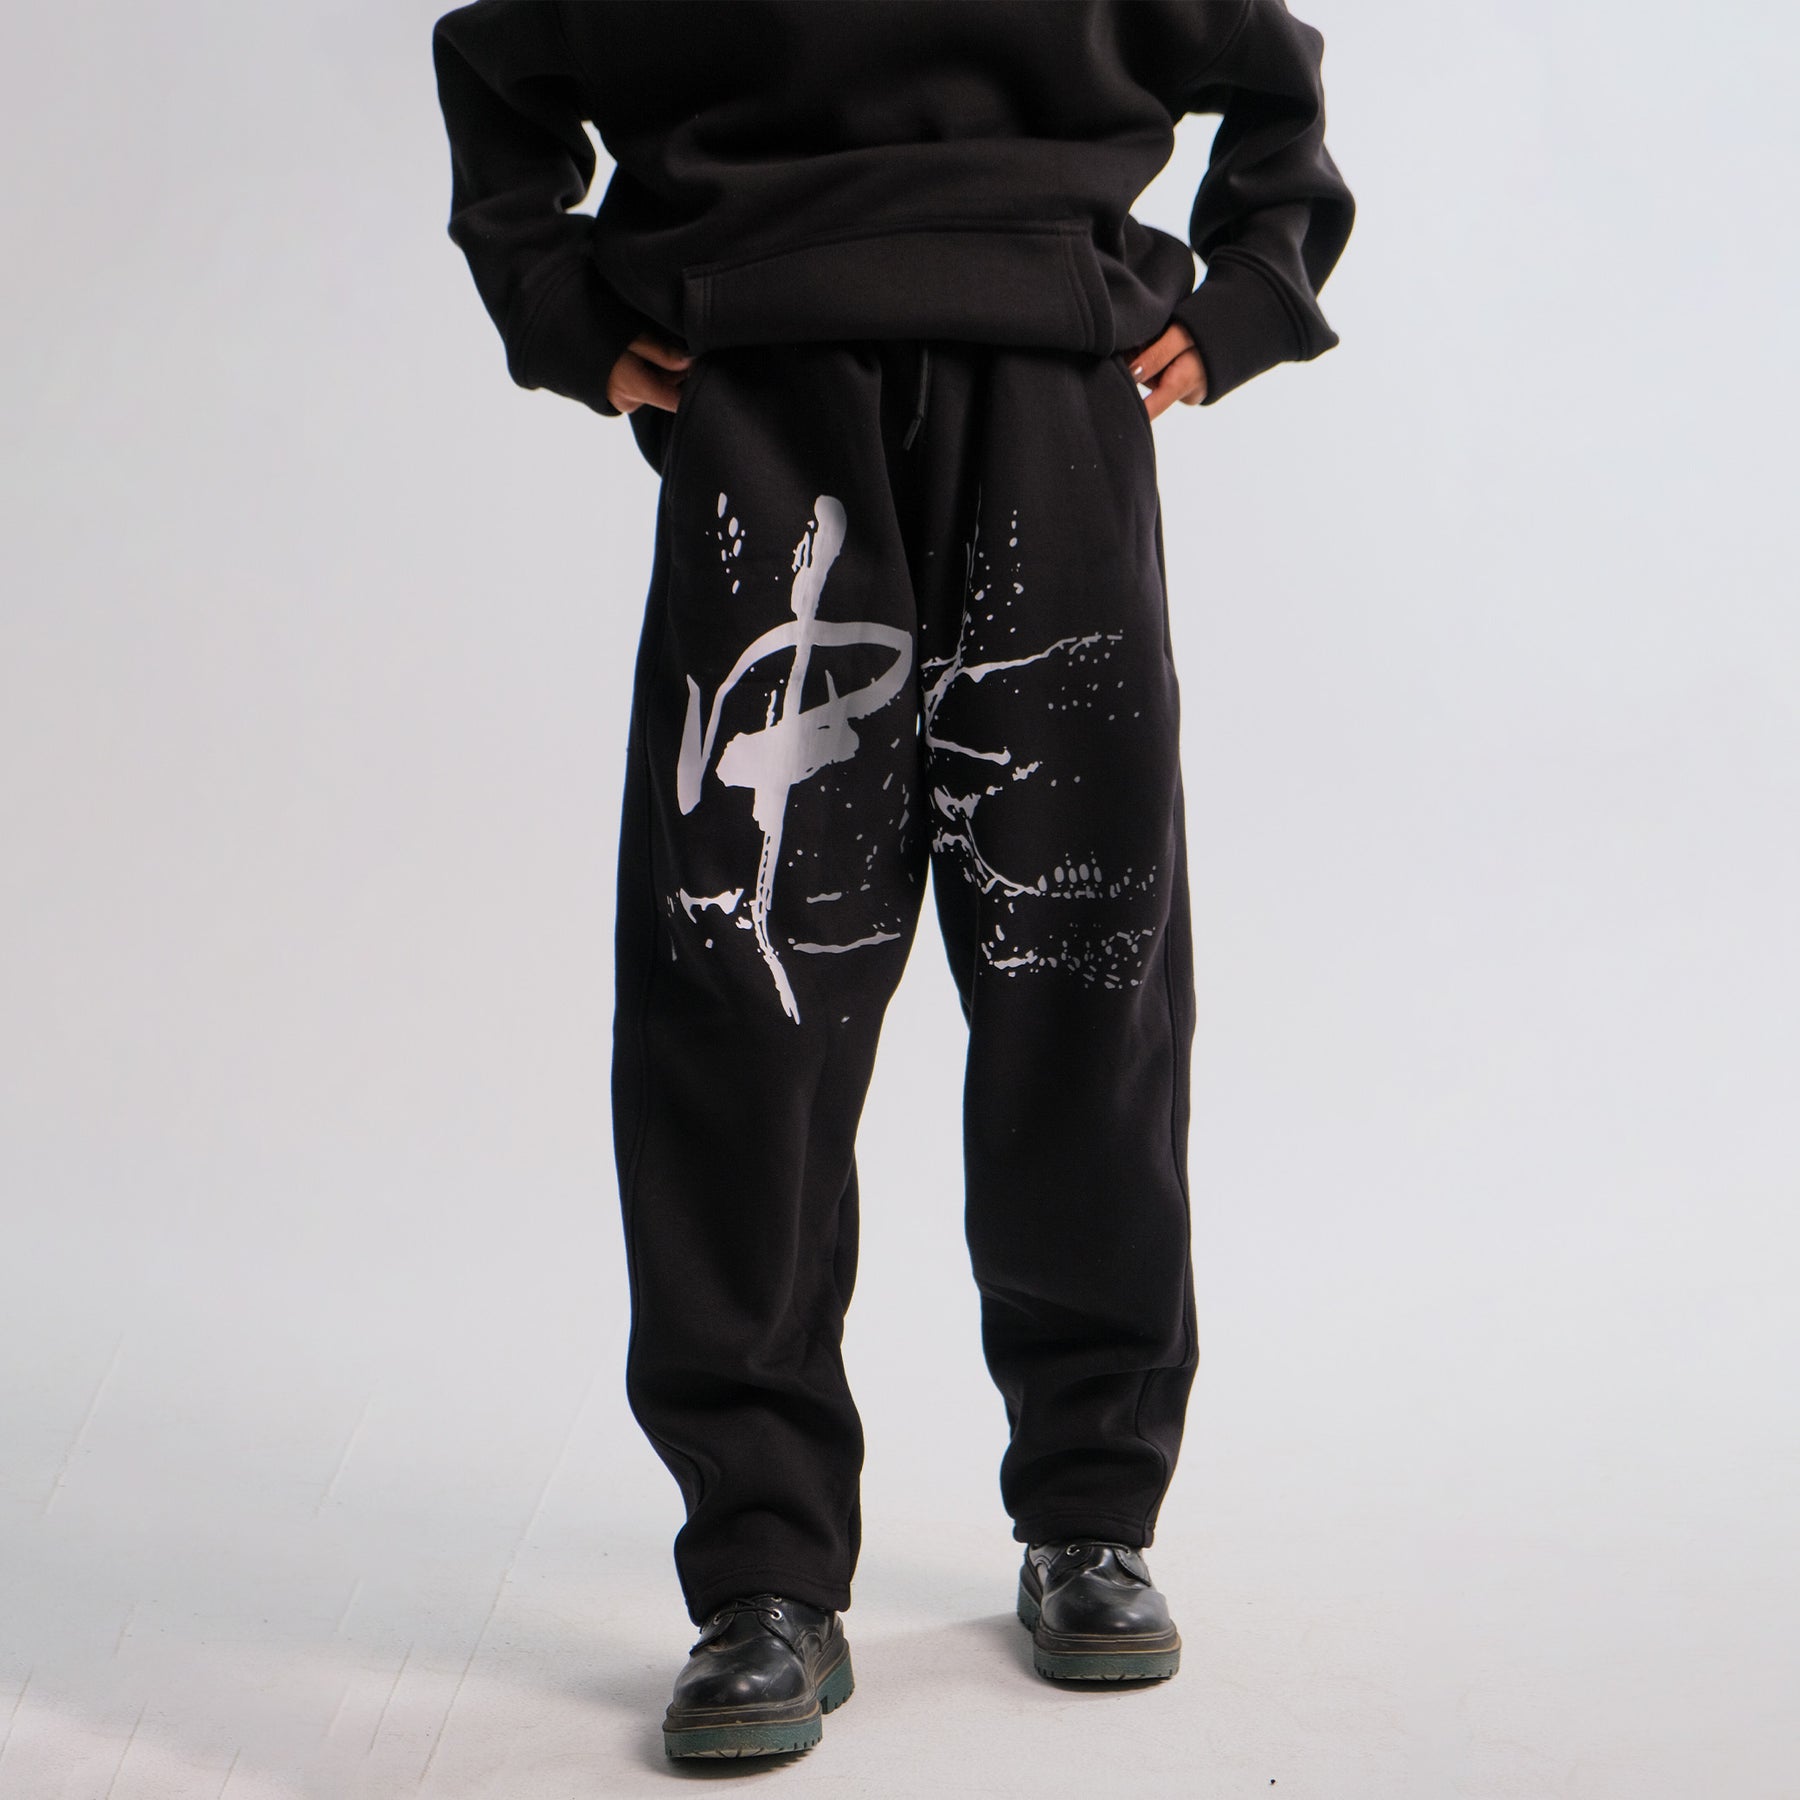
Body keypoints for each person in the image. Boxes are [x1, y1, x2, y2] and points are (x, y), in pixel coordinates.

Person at [432, 0, 1353, 1760]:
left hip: (1054, 402)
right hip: (768, 399)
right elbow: (498, 63)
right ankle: (763, 1572)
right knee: (744, 998)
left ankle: (1092, 1508)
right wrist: (563, 312)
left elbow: (1271, 80)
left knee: (1080, 974)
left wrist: (1250, 294)